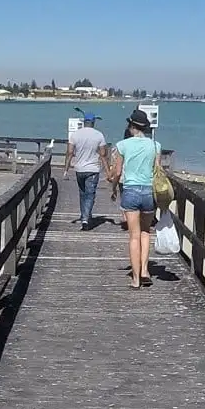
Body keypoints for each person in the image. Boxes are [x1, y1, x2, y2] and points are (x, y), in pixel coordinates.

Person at [110, 109, 162, 290]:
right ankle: (145, 271)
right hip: (148, 192)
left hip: (131, 191)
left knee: (133, 236)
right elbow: (157, 171)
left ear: (132, 126)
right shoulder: (155, 145)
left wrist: (114, 188)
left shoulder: (122, 145)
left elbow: (117, 172)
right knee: (146, 232)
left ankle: (135, 279)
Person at [64, 113, 110, 230]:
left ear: (84, 122)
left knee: (82, 193)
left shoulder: (75, 135)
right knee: (90, 194)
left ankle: (84, 215)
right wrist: (108, 171)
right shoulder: (99, 135)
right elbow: (103, 155)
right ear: (93, 122)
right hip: (93, 169)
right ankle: (85, 219)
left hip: (79, 169)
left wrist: (66, 169)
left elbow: (69, 152)